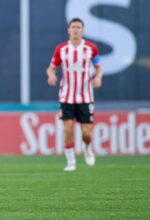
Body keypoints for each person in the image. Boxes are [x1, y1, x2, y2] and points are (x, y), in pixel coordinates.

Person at [46, 18, 103, 171]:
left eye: (79, 27)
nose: (76, 29)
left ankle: (87, 147)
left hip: (86, 96)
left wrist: (98, 77)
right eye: (73, 27)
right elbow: (51, 68)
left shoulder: (91, 48)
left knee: (86, 133)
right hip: (66, 96)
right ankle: (71, 162)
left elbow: (98, 67)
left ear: (83, 31)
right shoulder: (61, 49)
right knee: (68, 129)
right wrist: (51, 75)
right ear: (69, 30)